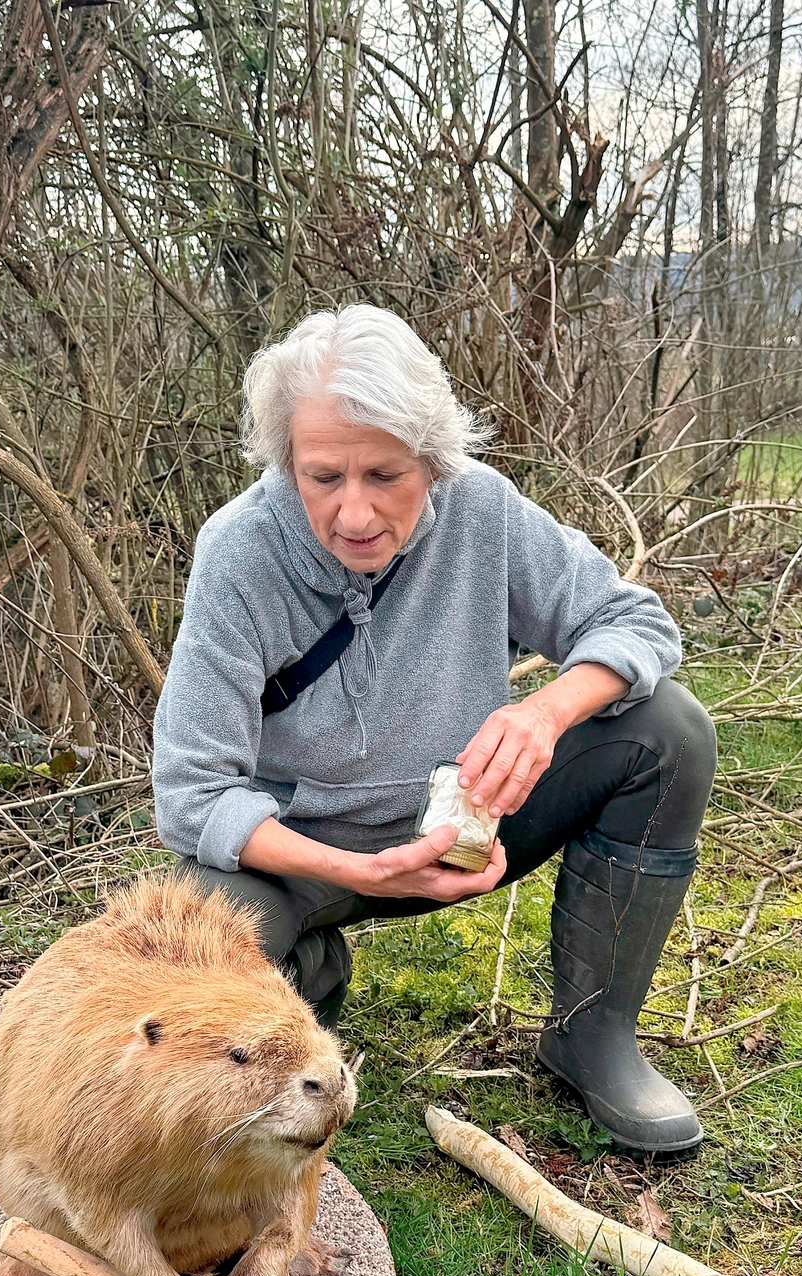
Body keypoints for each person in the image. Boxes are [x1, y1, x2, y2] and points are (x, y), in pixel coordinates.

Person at [152, 304, 716, 1158]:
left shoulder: (480, 510)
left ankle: (591, 1037)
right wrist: (358, 869)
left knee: (667, 729)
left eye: (383, 475)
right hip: (305, 859)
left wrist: (544, 710)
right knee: (201, 938)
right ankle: (306, 976)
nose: (352, 513)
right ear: (285, 462)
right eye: (321, 476)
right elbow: (191, 794)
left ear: (434, 458)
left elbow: (634, 622)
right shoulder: (238, 552)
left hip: (466, 823)